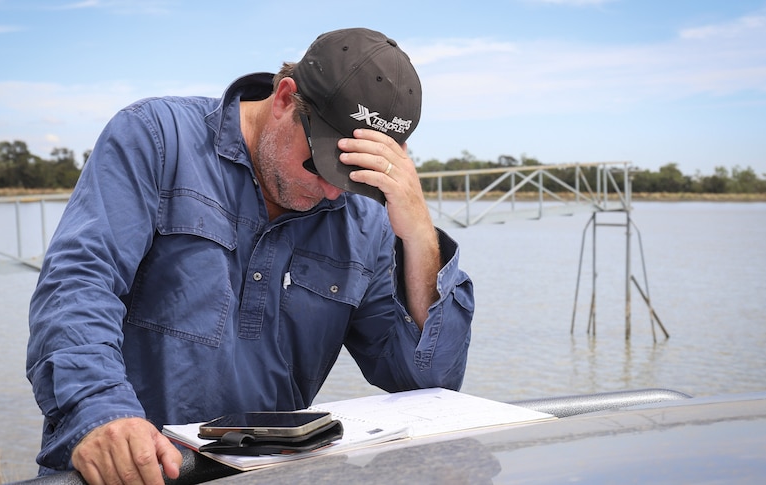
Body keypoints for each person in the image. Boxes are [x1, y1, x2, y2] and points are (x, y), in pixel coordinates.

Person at [27, 27, 474, 484]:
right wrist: (100, 411)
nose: (329, 190)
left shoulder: (367, 218)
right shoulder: (156, 138)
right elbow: (79, 284)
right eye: (320, 162)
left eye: (351, 177)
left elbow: (427, 381)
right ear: (284, 98)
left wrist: (419, 233)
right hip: (126, 473)